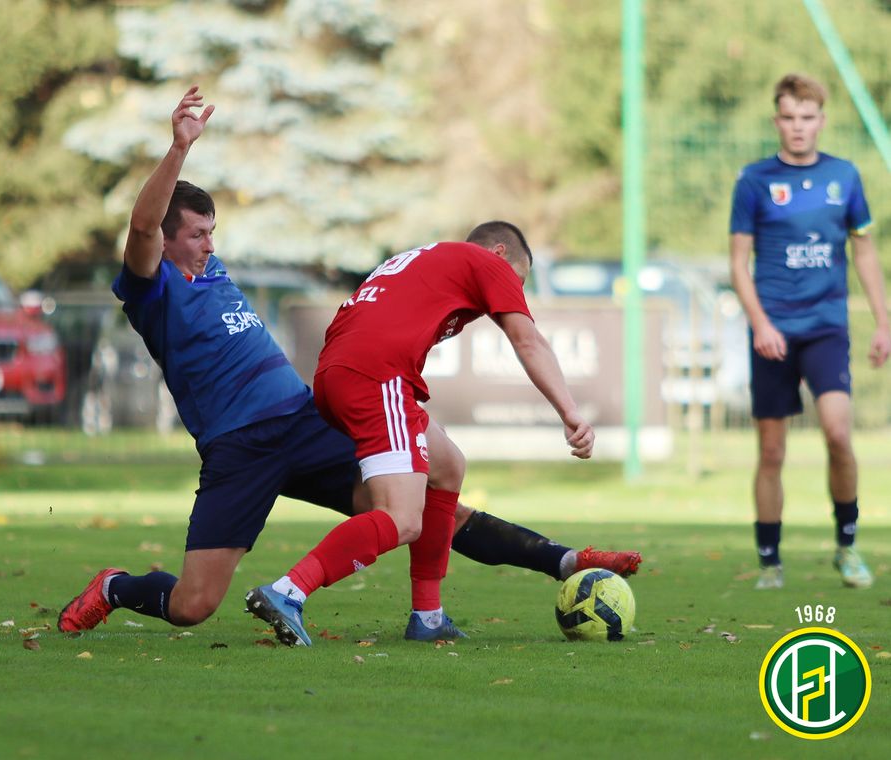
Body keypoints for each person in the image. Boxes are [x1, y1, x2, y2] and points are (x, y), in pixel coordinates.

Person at [57, 86, 640, 639]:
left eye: (213, 232)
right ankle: (115, 588)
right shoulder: (150, 288)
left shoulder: (212, 270)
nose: (210, 244)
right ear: (167, 239)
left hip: (305, 420)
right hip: (240, 446)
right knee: (193, 606)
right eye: (197, 234)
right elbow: (140, 227)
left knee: (426, 498)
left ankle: (560, 562)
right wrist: (180, 148)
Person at [245, 222, 598, 647]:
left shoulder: (424, 258)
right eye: (518, 280)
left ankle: (428, 616)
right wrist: (571, 412)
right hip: (376, 376)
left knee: (448, 466)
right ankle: (289, 590)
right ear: (501, 253)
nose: (512, 293)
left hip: (341, 373)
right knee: (403, 518)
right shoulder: (488, 261)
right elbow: (528, 341)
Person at [729, 73, 890, 591]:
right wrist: (760, 323)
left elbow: (864, 250)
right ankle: (770, 562)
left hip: (826, 328)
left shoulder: (844, 176)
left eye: (807, 117)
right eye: (789, 117)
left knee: (839, 435)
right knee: (772, 451)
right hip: (772, 332)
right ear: (777, 121)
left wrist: (884, 320)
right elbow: (737, 263)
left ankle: (846, 547)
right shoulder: (753, 180)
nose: (798, 127)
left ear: (821, 120)